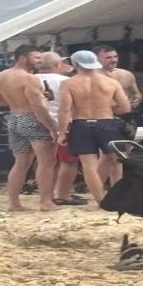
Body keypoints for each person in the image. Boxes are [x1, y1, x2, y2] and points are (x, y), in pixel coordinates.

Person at [57, 50, 130, 203]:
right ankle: (117, 198)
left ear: (75, 63)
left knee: (89, 165)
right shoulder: (111, 82)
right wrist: (107, 109)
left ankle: (100, 200)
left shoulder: (68, 83)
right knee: (116, 162)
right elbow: (125, 107)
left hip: (81, 124)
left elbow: (64, 110)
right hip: (106, 122)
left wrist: (62, 132)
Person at [0, 45, 58, 211]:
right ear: (23, 57)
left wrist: (16, 101)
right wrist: (52, 127)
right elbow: (38, 107)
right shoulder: (30, 79)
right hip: (32, 119)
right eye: (36, 58)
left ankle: (14, 203)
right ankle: (46, 202)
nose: (40, 61)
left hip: (14, 118)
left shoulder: (2, 76)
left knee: (21, 163)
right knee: (47, 161)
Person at [35, 52, 86, 206]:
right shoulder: (65, 81)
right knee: (69, 161)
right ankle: (62, 195)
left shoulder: (31, 79)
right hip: (63, 122)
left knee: (46, 162)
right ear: (57, 64)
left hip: (39, 121)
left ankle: (48, 194)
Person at [93, 45, 142, 183]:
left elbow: (136, 93)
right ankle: (96, 188)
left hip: (127, 118)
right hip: (106, 118)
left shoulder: (127, 74)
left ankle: (116, 187)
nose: (113, 60)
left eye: (115, 56)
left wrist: (137, 99)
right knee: (107, 156)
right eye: (108, 57)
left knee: (122, 157)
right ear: (97, 59)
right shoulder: (93, 77)